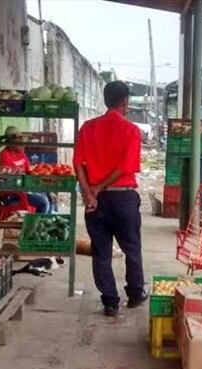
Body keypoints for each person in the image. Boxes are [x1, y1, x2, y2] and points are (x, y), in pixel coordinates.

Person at [73, 81, 147, 317]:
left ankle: (110, 302)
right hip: (123, 198)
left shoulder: (87, 128)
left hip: (96, 203)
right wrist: (98, 188)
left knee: (101, 252)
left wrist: (89, 193)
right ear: (125, 101)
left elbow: (78, 164)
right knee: (132, 248)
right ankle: (135, 294)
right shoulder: (131, 131)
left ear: (106, 100)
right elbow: (125, 167)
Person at [0, 126, 51, 214]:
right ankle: (35, 226)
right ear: (9, 141)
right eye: (17, 138)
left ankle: (40, 224)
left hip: (24, 189)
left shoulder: (21, 153)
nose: (20, 141)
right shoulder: (4, 155)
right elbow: (9, 180)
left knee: (49, 197)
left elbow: (30, 171)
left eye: (20, 138)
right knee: (43, 202)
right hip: (11, 194)